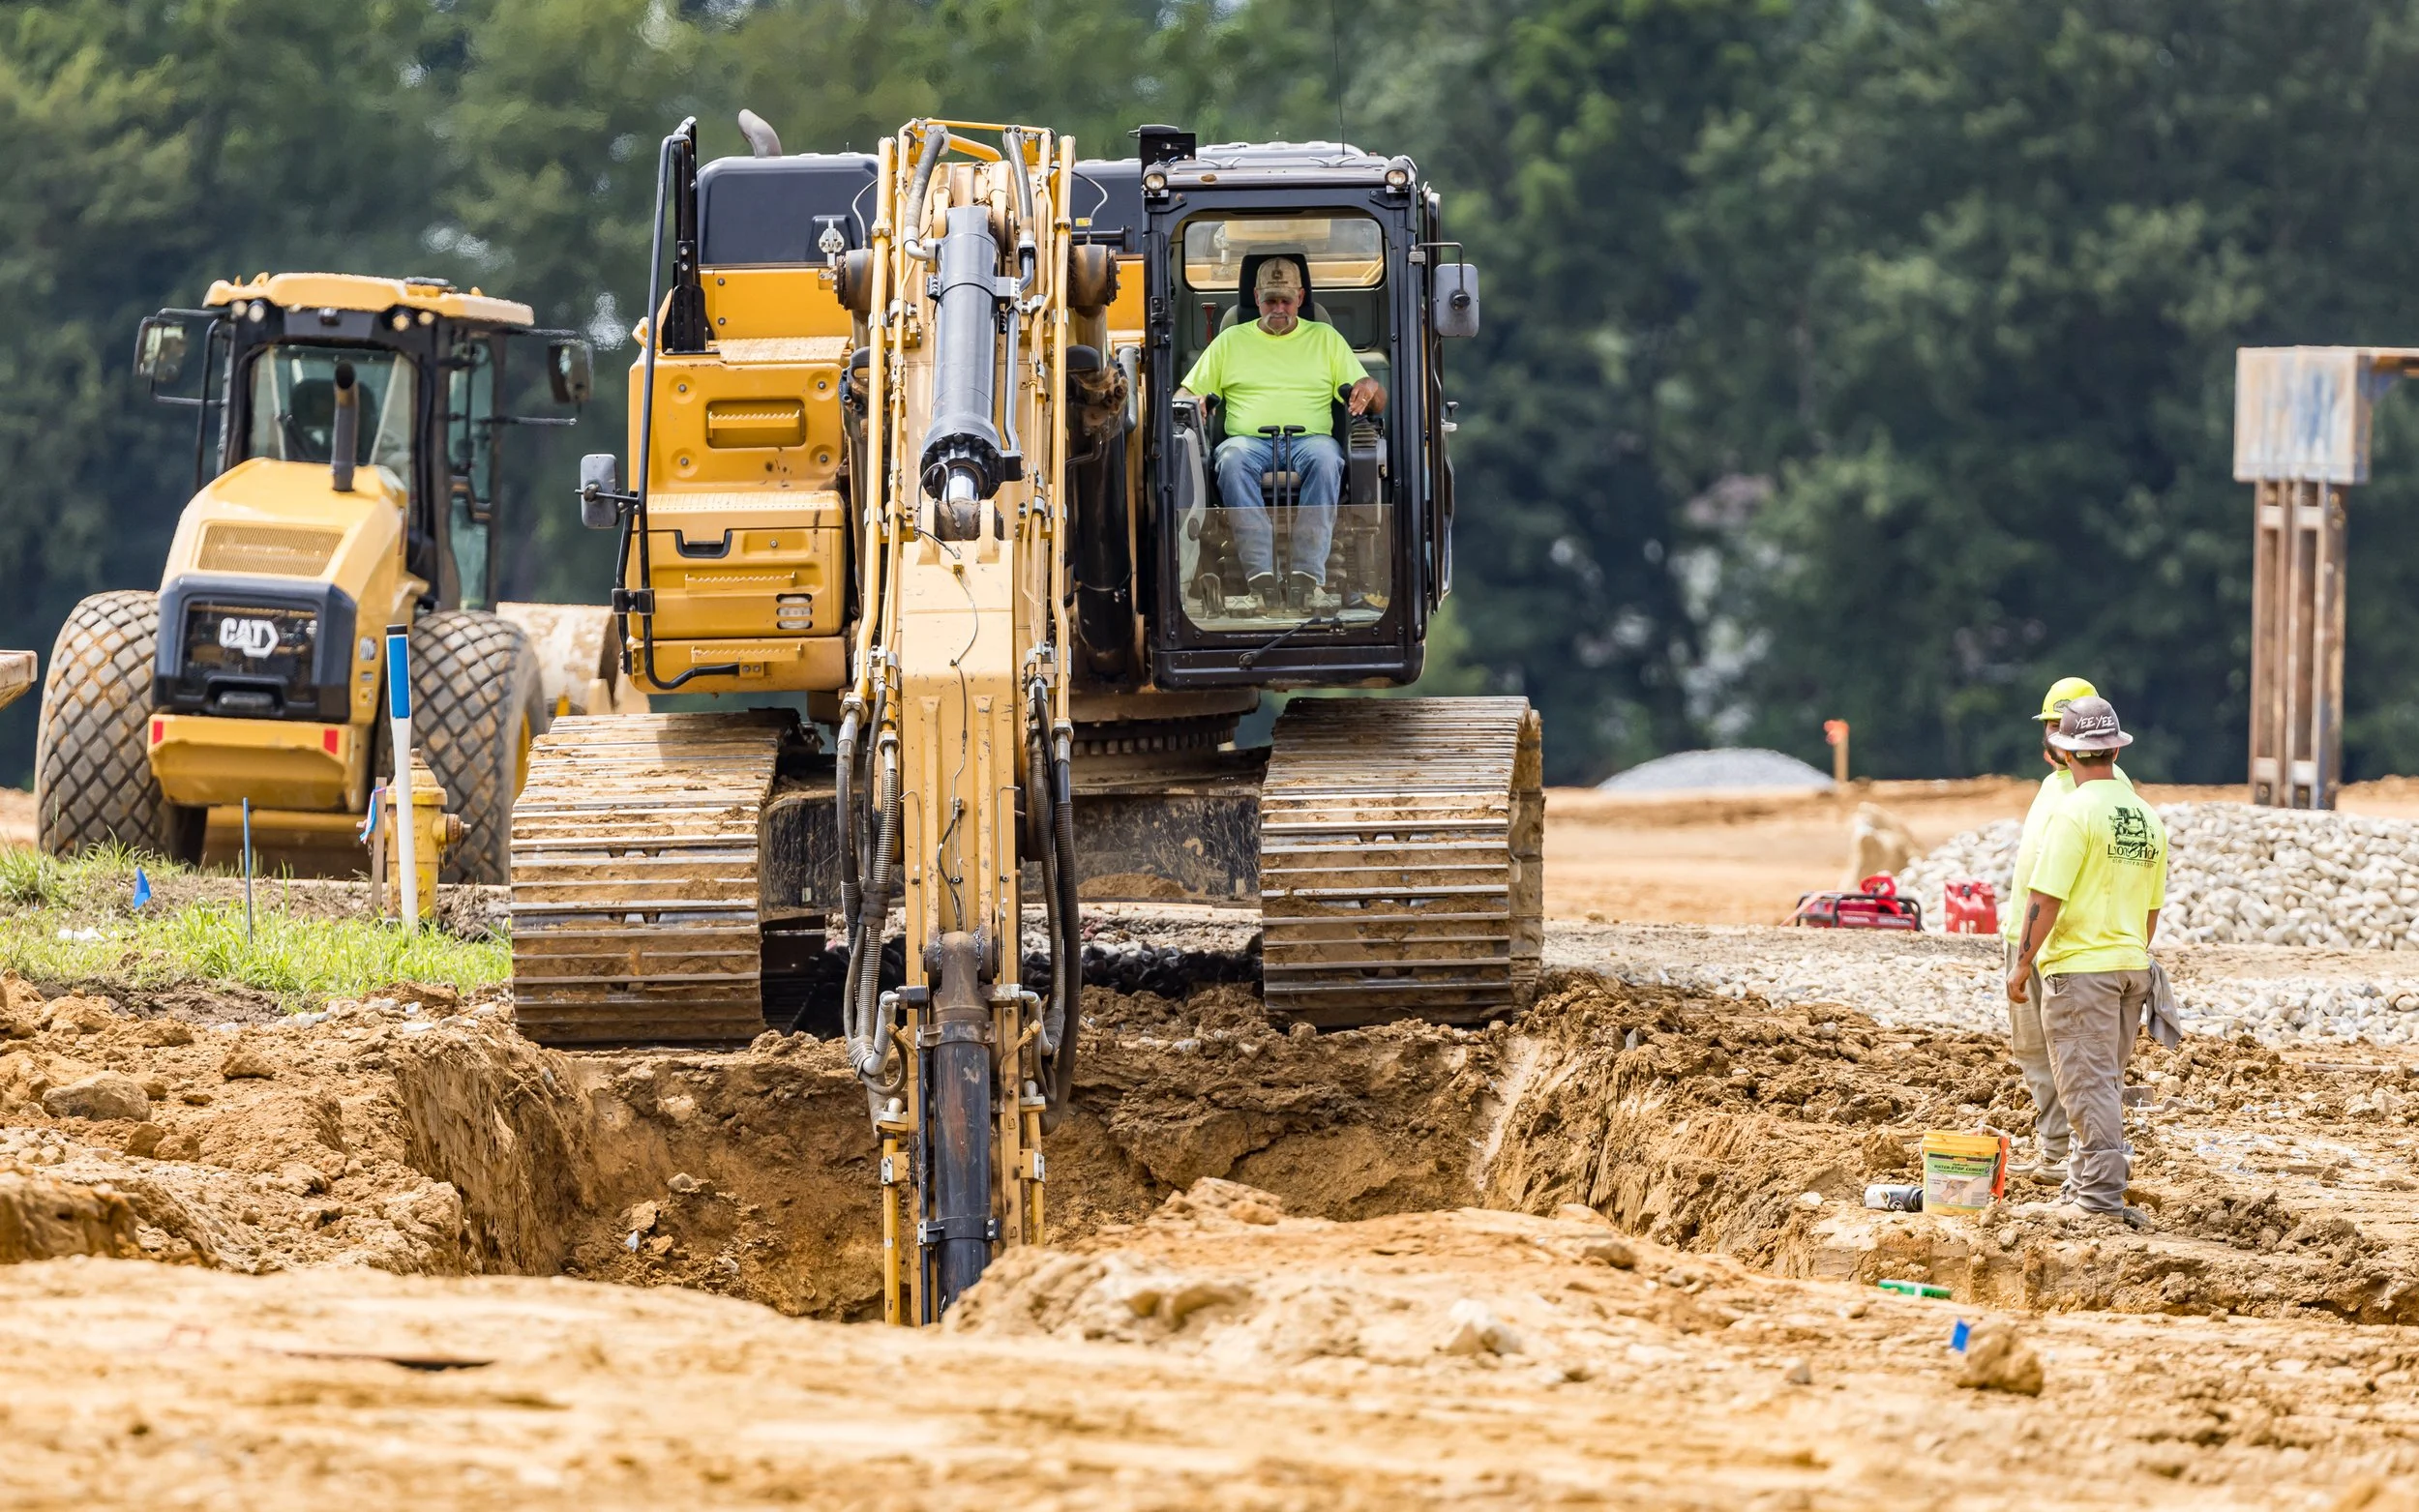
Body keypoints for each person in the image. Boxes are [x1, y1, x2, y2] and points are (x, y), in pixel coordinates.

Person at [2005, 696, 2167, 1228]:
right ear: (2116, 750)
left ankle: (2098, 1197)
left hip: (2081, 968)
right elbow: (2151, 910)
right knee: (2105, 1078)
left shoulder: (2073, 812)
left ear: (2066, 752)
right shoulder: (2145, 816)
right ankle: (2081, 1183)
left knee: (2084, 1081)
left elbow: (2044, 898)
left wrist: (2022, 963)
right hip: (2129, 965)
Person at [1176, 256, 1386, 615]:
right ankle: (1260, 578)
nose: (1278, 308)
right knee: (1231, 459)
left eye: (1286, 300)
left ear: (1301, 297)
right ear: (1256, 297)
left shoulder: (1326, 339)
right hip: (1249, 444)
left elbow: (1376, 400)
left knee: (1327, 457)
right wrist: (1192, 402)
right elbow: (1182, 396)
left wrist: (1370, 386)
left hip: (1310, 442)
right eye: (1270, 300)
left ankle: (1308, 577)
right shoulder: (1230, 341)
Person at [2001, 676, 2132, 1184]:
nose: (2056, 737)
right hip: (2033, 937)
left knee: (2072, 1057)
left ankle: (2073, 1158)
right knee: (2036, 1051)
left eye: (2064, 728)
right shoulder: (2056, 787)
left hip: (2064, 946)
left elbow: (2056, 887)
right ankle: (2059, 1150)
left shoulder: (2095, 793)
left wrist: (2028, 956)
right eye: (2052, 726)